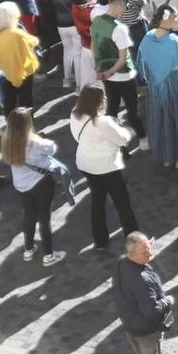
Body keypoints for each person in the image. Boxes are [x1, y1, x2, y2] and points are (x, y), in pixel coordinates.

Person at [113, 232, 177, 354]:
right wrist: (168, 301)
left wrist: (143, 246)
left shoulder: (121, 264)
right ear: (132, 255)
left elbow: (136, 253)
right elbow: (152, 311)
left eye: (149, 250)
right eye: (145, 253)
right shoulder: (142, 280)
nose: (150, 256)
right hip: (147, 330)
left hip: (130, 326)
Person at [69, 86, 138, 253]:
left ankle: (100, 240)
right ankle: (135, 241)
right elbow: (122, 139)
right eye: (104, 97)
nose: (106, 99)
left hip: (86, 164)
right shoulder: (102, 122)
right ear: (98, 102)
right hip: (107, 167)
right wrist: (126, 130)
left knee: (97, 200)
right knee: (122, 204)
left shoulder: (74, 113)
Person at [2, 107, 65, 265]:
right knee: (45, 218)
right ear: (27, 124)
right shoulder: (35, 142)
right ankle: (49, 255)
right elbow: (52, 149)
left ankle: (28, 249)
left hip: (21, 185)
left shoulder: (7, 141)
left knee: (29, 215)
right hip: (41, 183)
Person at [137, 6, 178, 167]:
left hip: (156, 87)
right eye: (175, 16)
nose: (177, 19)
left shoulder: (147, 38)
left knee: (161, 121)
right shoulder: (176, 41)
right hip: (176, 86)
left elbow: (141, 68)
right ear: (166, 18)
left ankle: (167, 157)